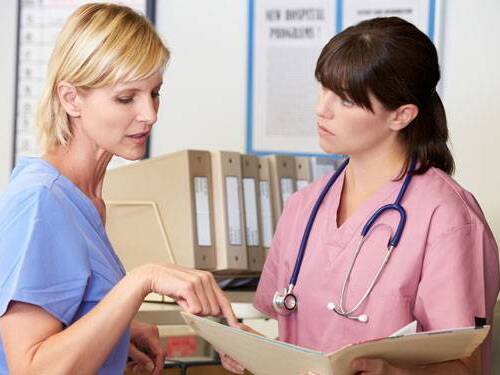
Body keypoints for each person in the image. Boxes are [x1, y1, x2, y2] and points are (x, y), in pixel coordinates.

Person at [220, 17, 500, 375]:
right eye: (323, 88)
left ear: (401, 115)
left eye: (346, 99)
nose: (322, 109)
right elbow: (305, 341)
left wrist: (391, 373)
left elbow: (466, 366)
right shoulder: (304, 206)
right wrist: (255, 351)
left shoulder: (447, 218)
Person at [0, 4, 237, 374]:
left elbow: (65, 315)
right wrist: (141, 281)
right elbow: (32, 368)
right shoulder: (42, 200)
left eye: (155, 93)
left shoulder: (85, 199)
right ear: (71, 98)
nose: (150, 114)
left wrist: (118, 328)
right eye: (126, 98)